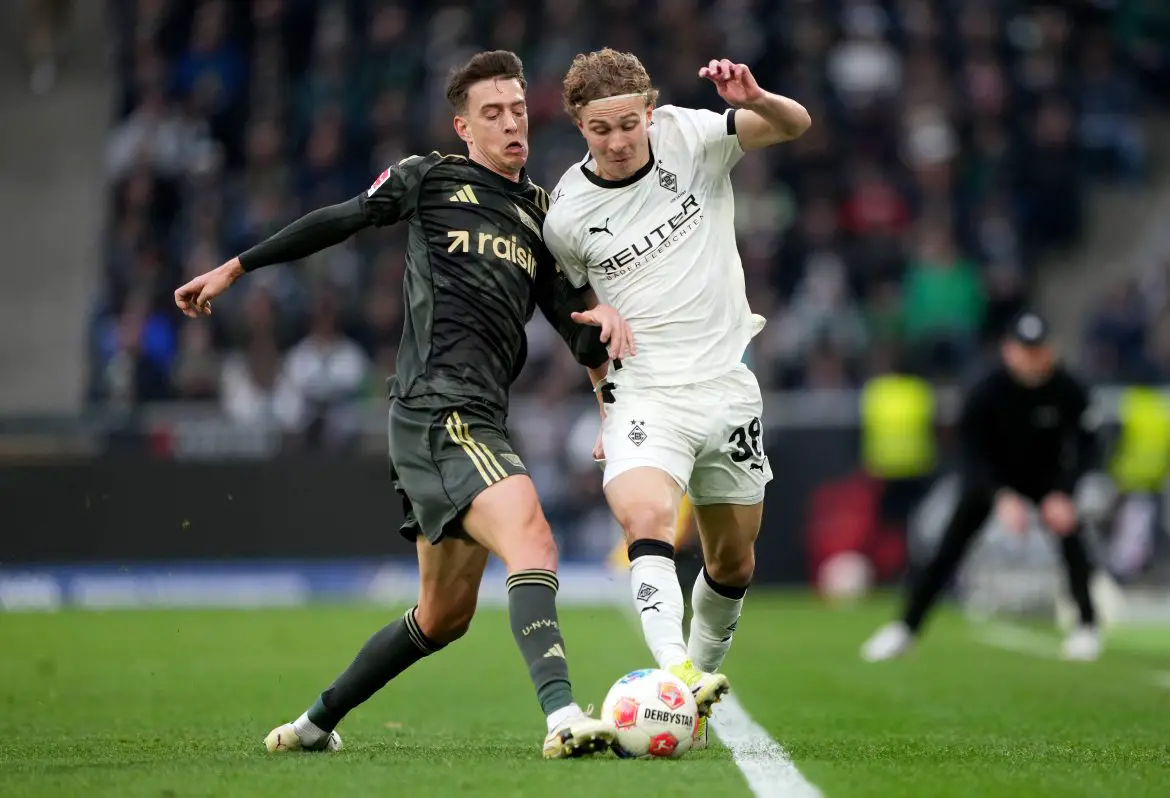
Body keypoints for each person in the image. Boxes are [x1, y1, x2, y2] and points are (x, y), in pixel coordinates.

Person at [174, 50, 634, 759]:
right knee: (533, 538)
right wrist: (237, 267)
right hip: (434, 409)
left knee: (442, 616)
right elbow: (342, 219)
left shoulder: (543, 216)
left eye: (517, 109)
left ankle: (312, 724)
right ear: (463, 127)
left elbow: (581, 333)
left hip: (481, 414)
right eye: (493, 113)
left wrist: (611, 408)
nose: (512, 123)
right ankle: (563, 715)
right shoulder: (430, 178)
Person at [542, 49, 811, 745]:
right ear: (579, 126)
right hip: (646, 392)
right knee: (647, 521)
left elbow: (794, 125)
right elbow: (579, 321)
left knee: (733, 562)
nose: (618, 140)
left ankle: (700, 676)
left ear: (649, 111)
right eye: (600, 129)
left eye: (628, 123)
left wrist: (756, 98)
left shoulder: (691, 136)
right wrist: (606, 401)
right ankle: (677, 671)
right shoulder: (566, 216)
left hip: (726, 388)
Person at [862, 312, 1104, 662]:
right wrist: (1000, 495)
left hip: (1049, 479)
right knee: (949, 547)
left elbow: (1088, 445)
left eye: (1039, 350)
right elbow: (970, 452)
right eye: (1025, 349)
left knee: (1072, 538)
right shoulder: (986, 389)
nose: (1032, 358)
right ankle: (905, 627)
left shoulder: (1069, 389)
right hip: (993, 477)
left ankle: (1086, 625)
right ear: (1009, 350)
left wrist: (1065, 493)